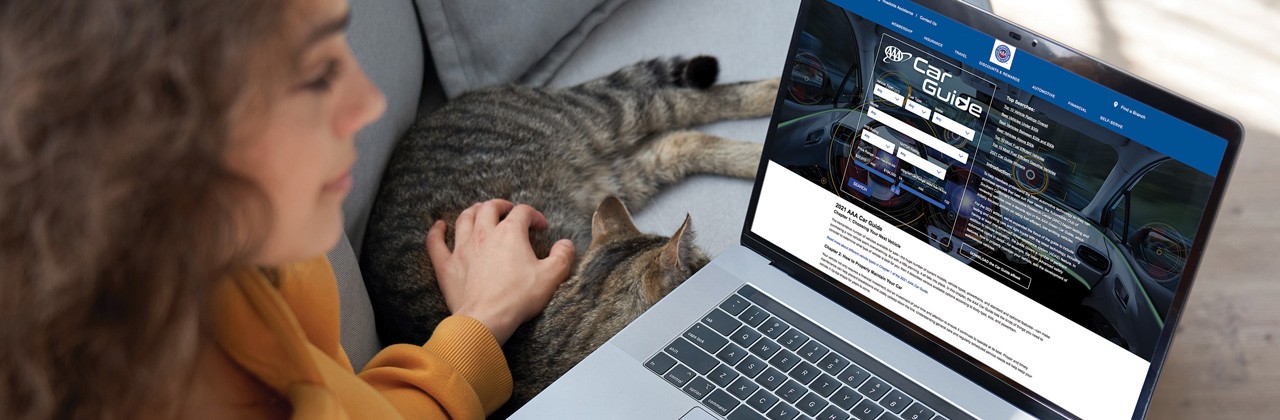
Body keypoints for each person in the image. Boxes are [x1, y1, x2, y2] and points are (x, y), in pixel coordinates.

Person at [0, 0, 575, 418]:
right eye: (316, 75)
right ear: (159, 142)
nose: (369, 103)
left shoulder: (256, 256)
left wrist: (475, 324)